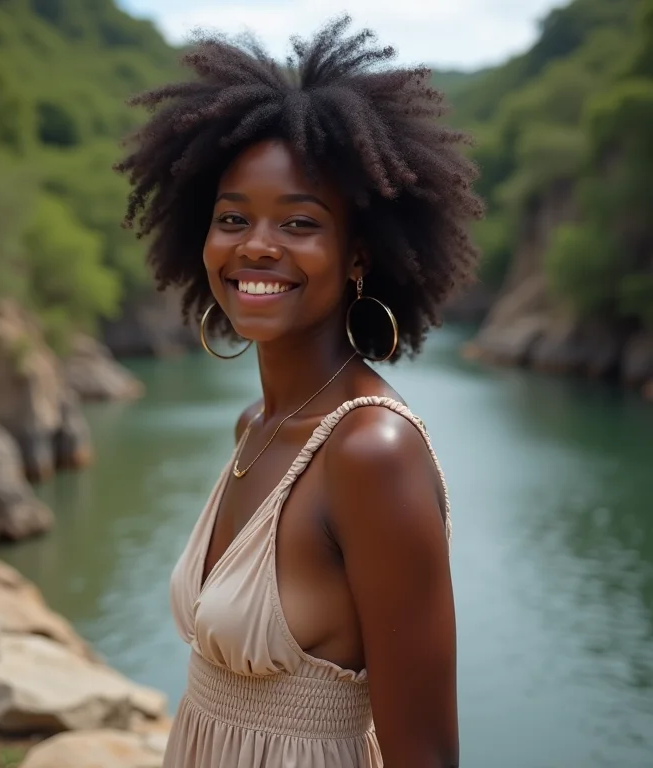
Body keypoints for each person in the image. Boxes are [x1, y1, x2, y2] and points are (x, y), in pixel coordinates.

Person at [116, 15, 482, 768]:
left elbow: (426, 753)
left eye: (299, 222)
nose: (256, 245)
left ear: (358, 256)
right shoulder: (256, 425)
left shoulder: (371, 452)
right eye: (232, 218)